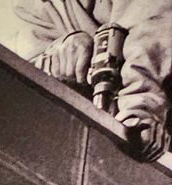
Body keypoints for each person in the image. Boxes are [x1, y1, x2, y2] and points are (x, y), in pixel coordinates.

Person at [16, 0, 172, 160]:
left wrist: (139, 109)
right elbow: (21, 76)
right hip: (97, 136)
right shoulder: (33, 6)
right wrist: (57, 54)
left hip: (153, 125)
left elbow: (151, 35)